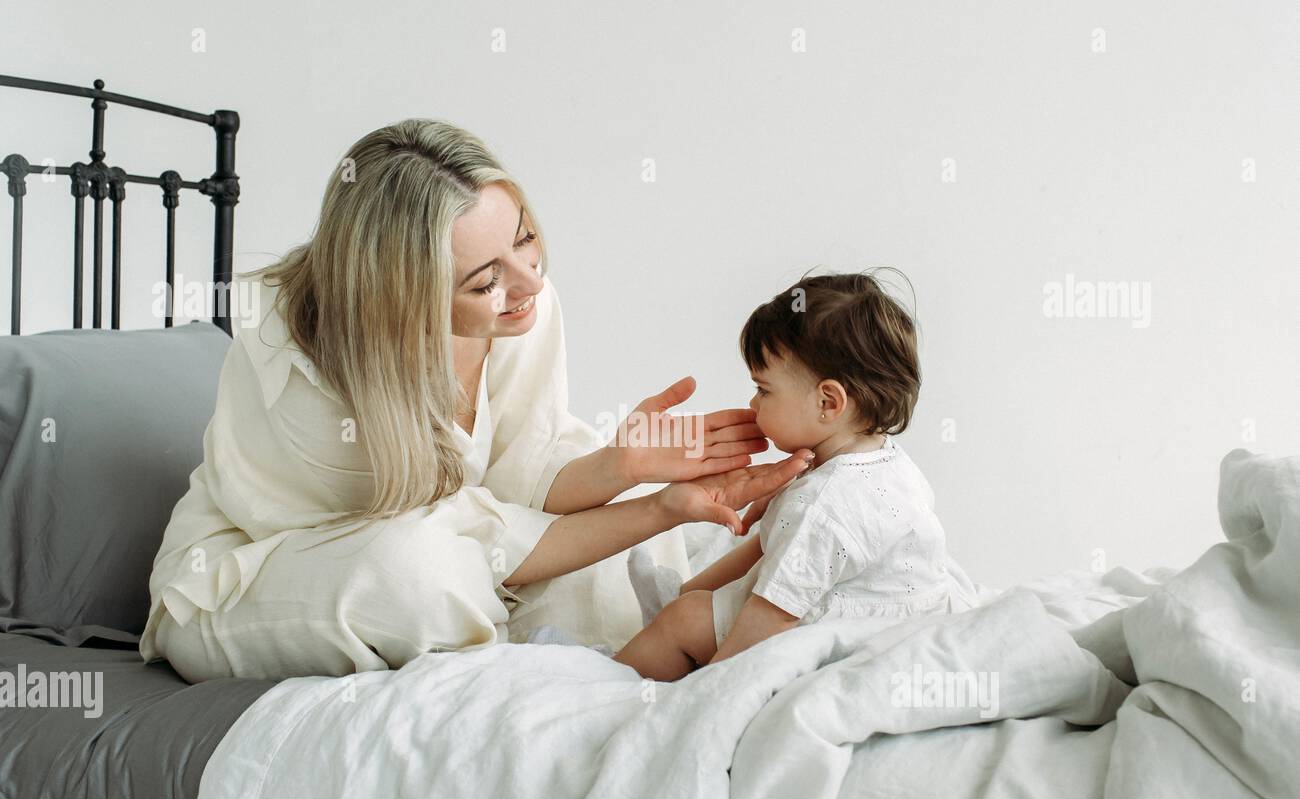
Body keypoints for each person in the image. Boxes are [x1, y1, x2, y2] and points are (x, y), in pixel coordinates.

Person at [139, 118, 808, 682]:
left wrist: (624, 471)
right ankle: (525, 698)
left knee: (611, 537)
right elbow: (474, 540)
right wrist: (658, 511)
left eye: (524, 239)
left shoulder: (521, 307)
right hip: (255, 579)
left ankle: (605, 680)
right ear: (403, 295)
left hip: (465, 543)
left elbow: (522, 477)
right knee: (419, 574)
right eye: (486, 280)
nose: (528, 284)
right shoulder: (302, 378)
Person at [616, 271, 979, 681]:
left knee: (684, 621)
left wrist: (711, 688)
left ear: (828, 401)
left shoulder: (824, 504)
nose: (753, 404)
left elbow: (771, 617)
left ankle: (612, 682)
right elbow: (771, 553)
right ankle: (678, 594)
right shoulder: (884, 460)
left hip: (855, 640)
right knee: (723, 583)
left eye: (764, 390)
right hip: (910, 615)